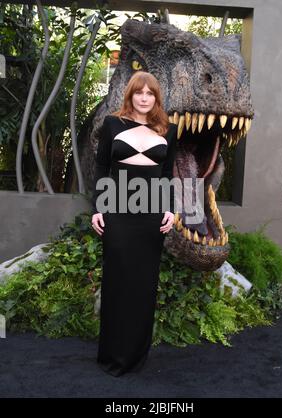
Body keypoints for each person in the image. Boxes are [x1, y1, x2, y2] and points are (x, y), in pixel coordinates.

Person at [91, 71, 177, 377]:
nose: (144, 98)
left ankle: (137, 355)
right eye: (139, 93)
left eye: (150, 94)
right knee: (117, 280)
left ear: (156, 98)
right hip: (117, 210)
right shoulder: (113, 124)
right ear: (130, 95)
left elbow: (167, 176)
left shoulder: (168, 129)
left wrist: (170, 210)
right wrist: (98, 208)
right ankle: (112, 354)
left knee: (143, 284)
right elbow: (102, 166)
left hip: (151, 213)